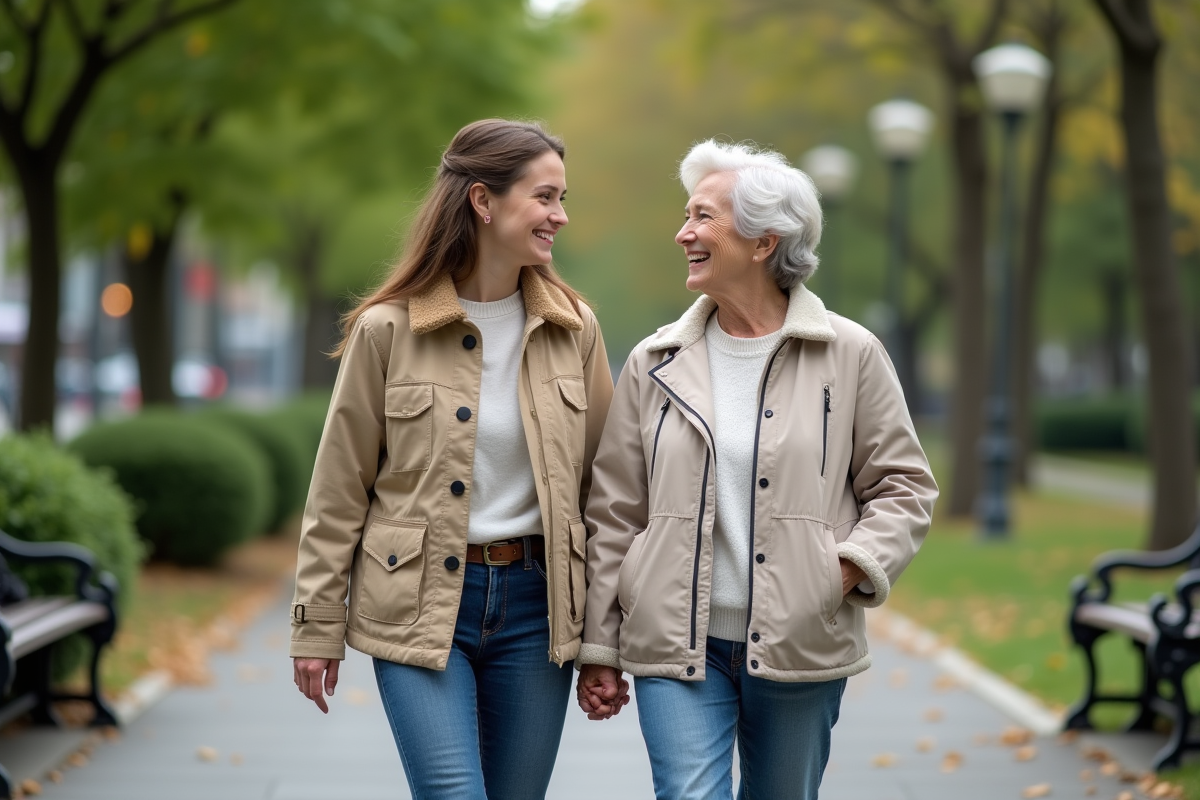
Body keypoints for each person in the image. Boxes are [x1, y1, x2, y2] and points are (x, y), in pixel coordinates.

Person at [575, 139, 938, 799]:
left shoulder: (851, 354)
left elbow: (905, 486)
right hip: (675, 645)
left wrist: (845, 569)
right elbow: (615, 510)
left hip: (802, 641)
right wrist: (600, 645)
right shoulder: (653, 362)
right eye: (687, 215)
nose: (683, 232)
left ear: (764, 241)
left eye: (703, 217)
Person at [289, 118, 613, 800]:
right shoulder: (388, 330)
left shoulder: (574, 331)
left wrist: (605, 640)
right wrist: (316, 625)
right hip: (416, 602)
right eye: (546, 196)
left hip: (538, 608)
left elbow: (605, 495)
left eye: (561, 198)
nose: (561, 215)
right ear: (483, 201)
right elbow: (339, 489)